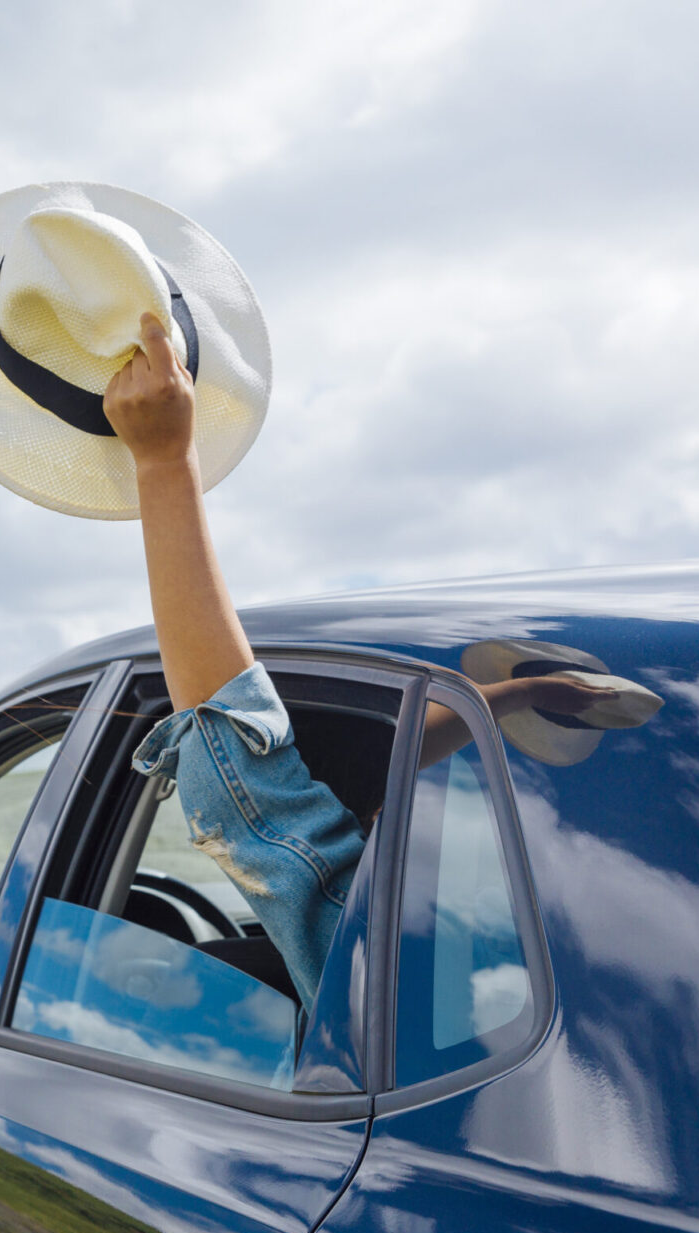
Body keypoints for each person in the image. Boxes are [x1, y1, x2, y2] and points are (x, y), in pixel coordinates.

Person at [102, 314, 616, 1003]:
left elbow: (243, 785)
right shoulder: (584, 950)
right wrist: (513, 697)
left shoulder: (386, 969)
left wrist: (164, 465)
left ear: (362, 817)